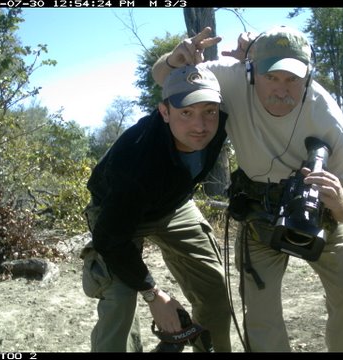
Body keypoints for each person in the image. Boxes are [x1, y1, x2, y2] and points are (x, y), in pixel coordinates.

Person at [152, 26, 343, 352]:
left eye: (292, 78)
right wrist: (174, 58)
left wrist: (340, 200)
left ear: (309, 77)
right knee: (260, 318)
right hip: (259, 211)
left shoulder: (327, 118)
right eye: (271, 77)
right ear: (252, 71)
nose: (281, 89)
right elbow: (164, 78)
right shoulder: (229, 79)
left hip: (321, 212)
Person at [81, 64, 232, 352]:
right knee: (121, 296)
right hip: (119, 213)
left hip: (173, 203)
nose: (200, 126)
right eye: (186, 112)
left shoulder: (221, 121)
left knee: (214, 288)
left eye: (208, 111)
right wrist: (154, 294)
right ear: (164, 112)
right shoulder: (134, 166)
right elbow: (110, 239)